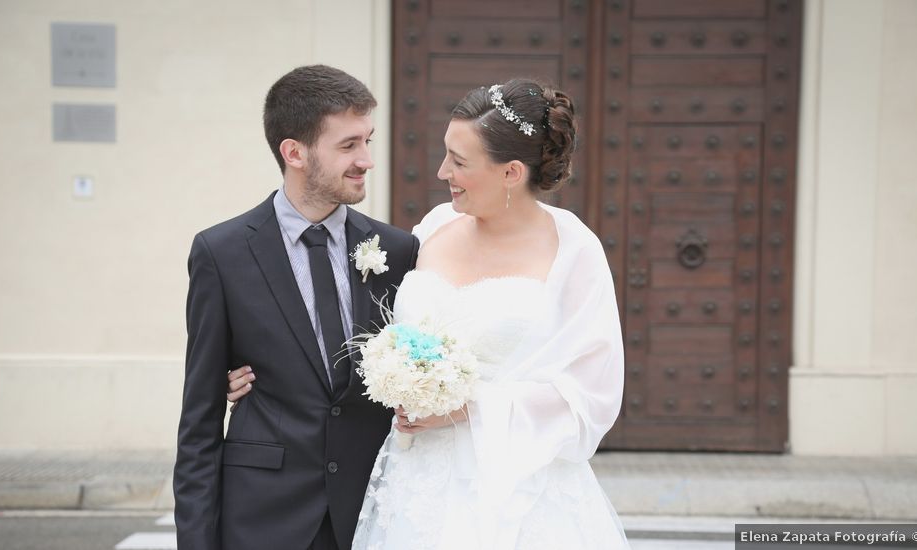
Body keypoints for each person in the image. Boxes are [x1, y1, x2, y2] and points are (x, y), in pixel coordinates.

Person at [229, 79, 629, 549]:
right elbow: (361, 324)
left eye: (459, 162)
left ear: (511, 172)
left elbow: (591, 396)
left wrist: (468, 410)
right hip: (411, 481)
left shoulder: (573, 249)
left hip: (513, 485)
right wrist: (260, 372)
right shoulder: (435, 227)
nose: (443, 172)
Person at [174, 64, 420, 550]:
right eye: (348, 145)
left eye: (368, 141)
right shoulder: (221, 253)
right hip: (263, 516)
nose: (367, 160)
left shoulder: (398, 251)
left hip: (370, 514)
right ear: (295, 152)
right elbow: (198, 424)